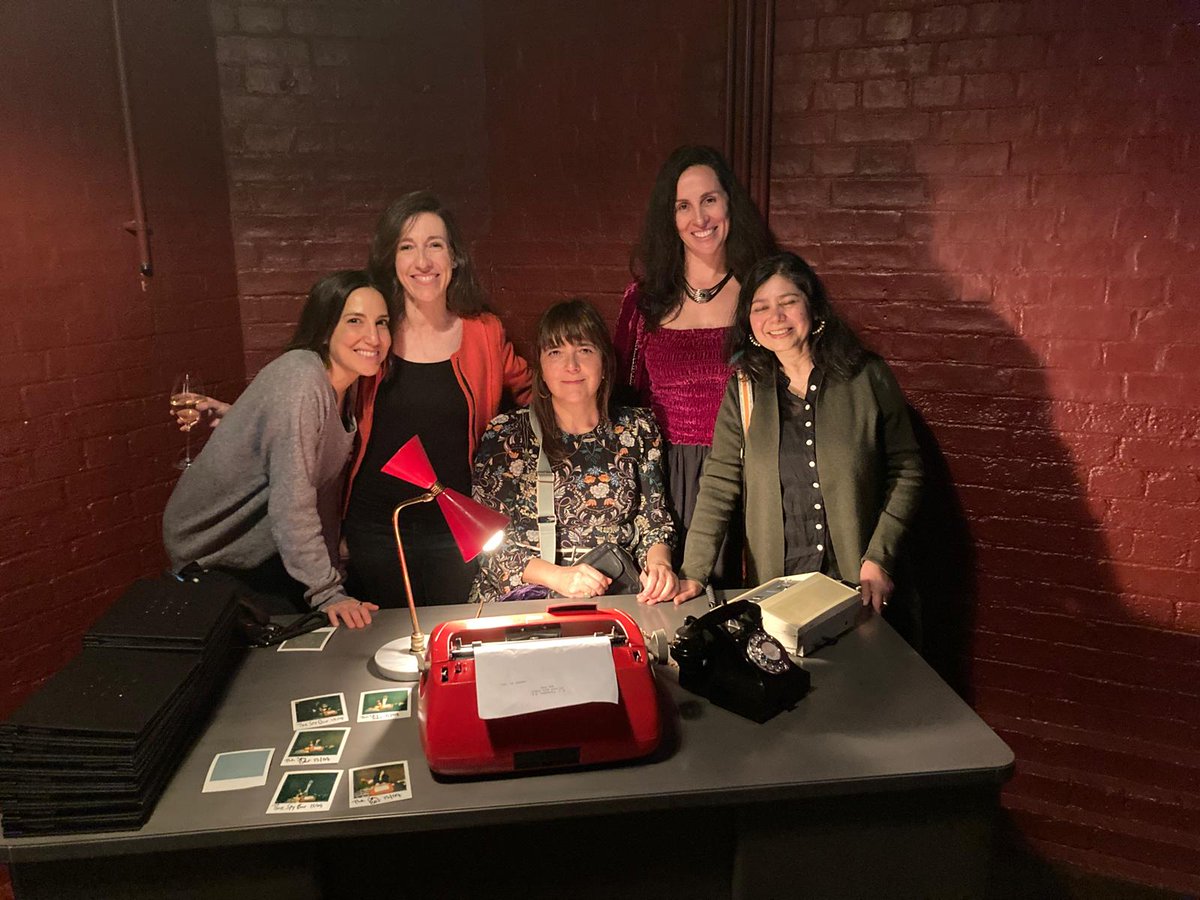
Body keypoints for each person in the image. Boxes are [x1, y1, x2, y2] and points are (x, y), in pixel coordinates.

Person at [669, 252, 923, 612]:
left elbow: (906, 469)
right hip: (778, 590)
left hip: (858, 585)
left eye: (788, 302)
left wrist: (879, 557)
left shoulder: (867, 377)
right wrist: (694, 570)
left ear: (815, 310)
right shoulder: (744, 389)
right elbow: (720, 483)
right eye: (761, 307)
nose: (775, 318)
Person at [163, 270, 388, 628]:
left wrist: (331, 576)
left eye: (382, 322)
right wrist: (327, 591)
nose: (373, 337)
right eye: (355, 321)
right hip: (213, 554)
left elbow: (321, 493)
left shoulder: (349, 385)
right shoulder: (302, 379)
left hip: (264, 551)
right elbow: (292, 503)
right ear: (326, 326)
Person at [343, 192, 532, 608]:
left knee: (452, 641)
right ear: (391, 260)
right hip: (377, 528)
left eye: (435, 245)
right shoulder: (373, 332)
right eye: (407, 247)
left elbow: (535, 396)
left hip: (457, 527)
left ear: (454, 258)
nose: (423, 262)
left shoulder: (485, 332)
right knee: (388, 647)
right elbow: (321, 394)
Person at [614, 145, 776, 583]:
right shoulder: (645, 300)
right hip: (664, 480)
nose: (699, 219)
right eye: (683, 206)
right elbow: (622, 398)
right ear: (670, 219)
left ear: (729, 204)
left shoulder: (763, 291)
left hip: (744, 475)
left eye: (709, 200)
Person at [472, 299, 677, 603]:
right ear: (540, 367)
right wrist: (560, 577)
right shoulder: (506, 435)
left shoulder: (639, 428)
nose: (572, 366)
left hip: (616, 595)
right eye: (556, 352)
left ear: (604, 363)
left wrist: (659, 565)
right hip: (526, 601)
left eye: (584, 350)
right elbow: (484, 545)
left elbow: (654, 521)